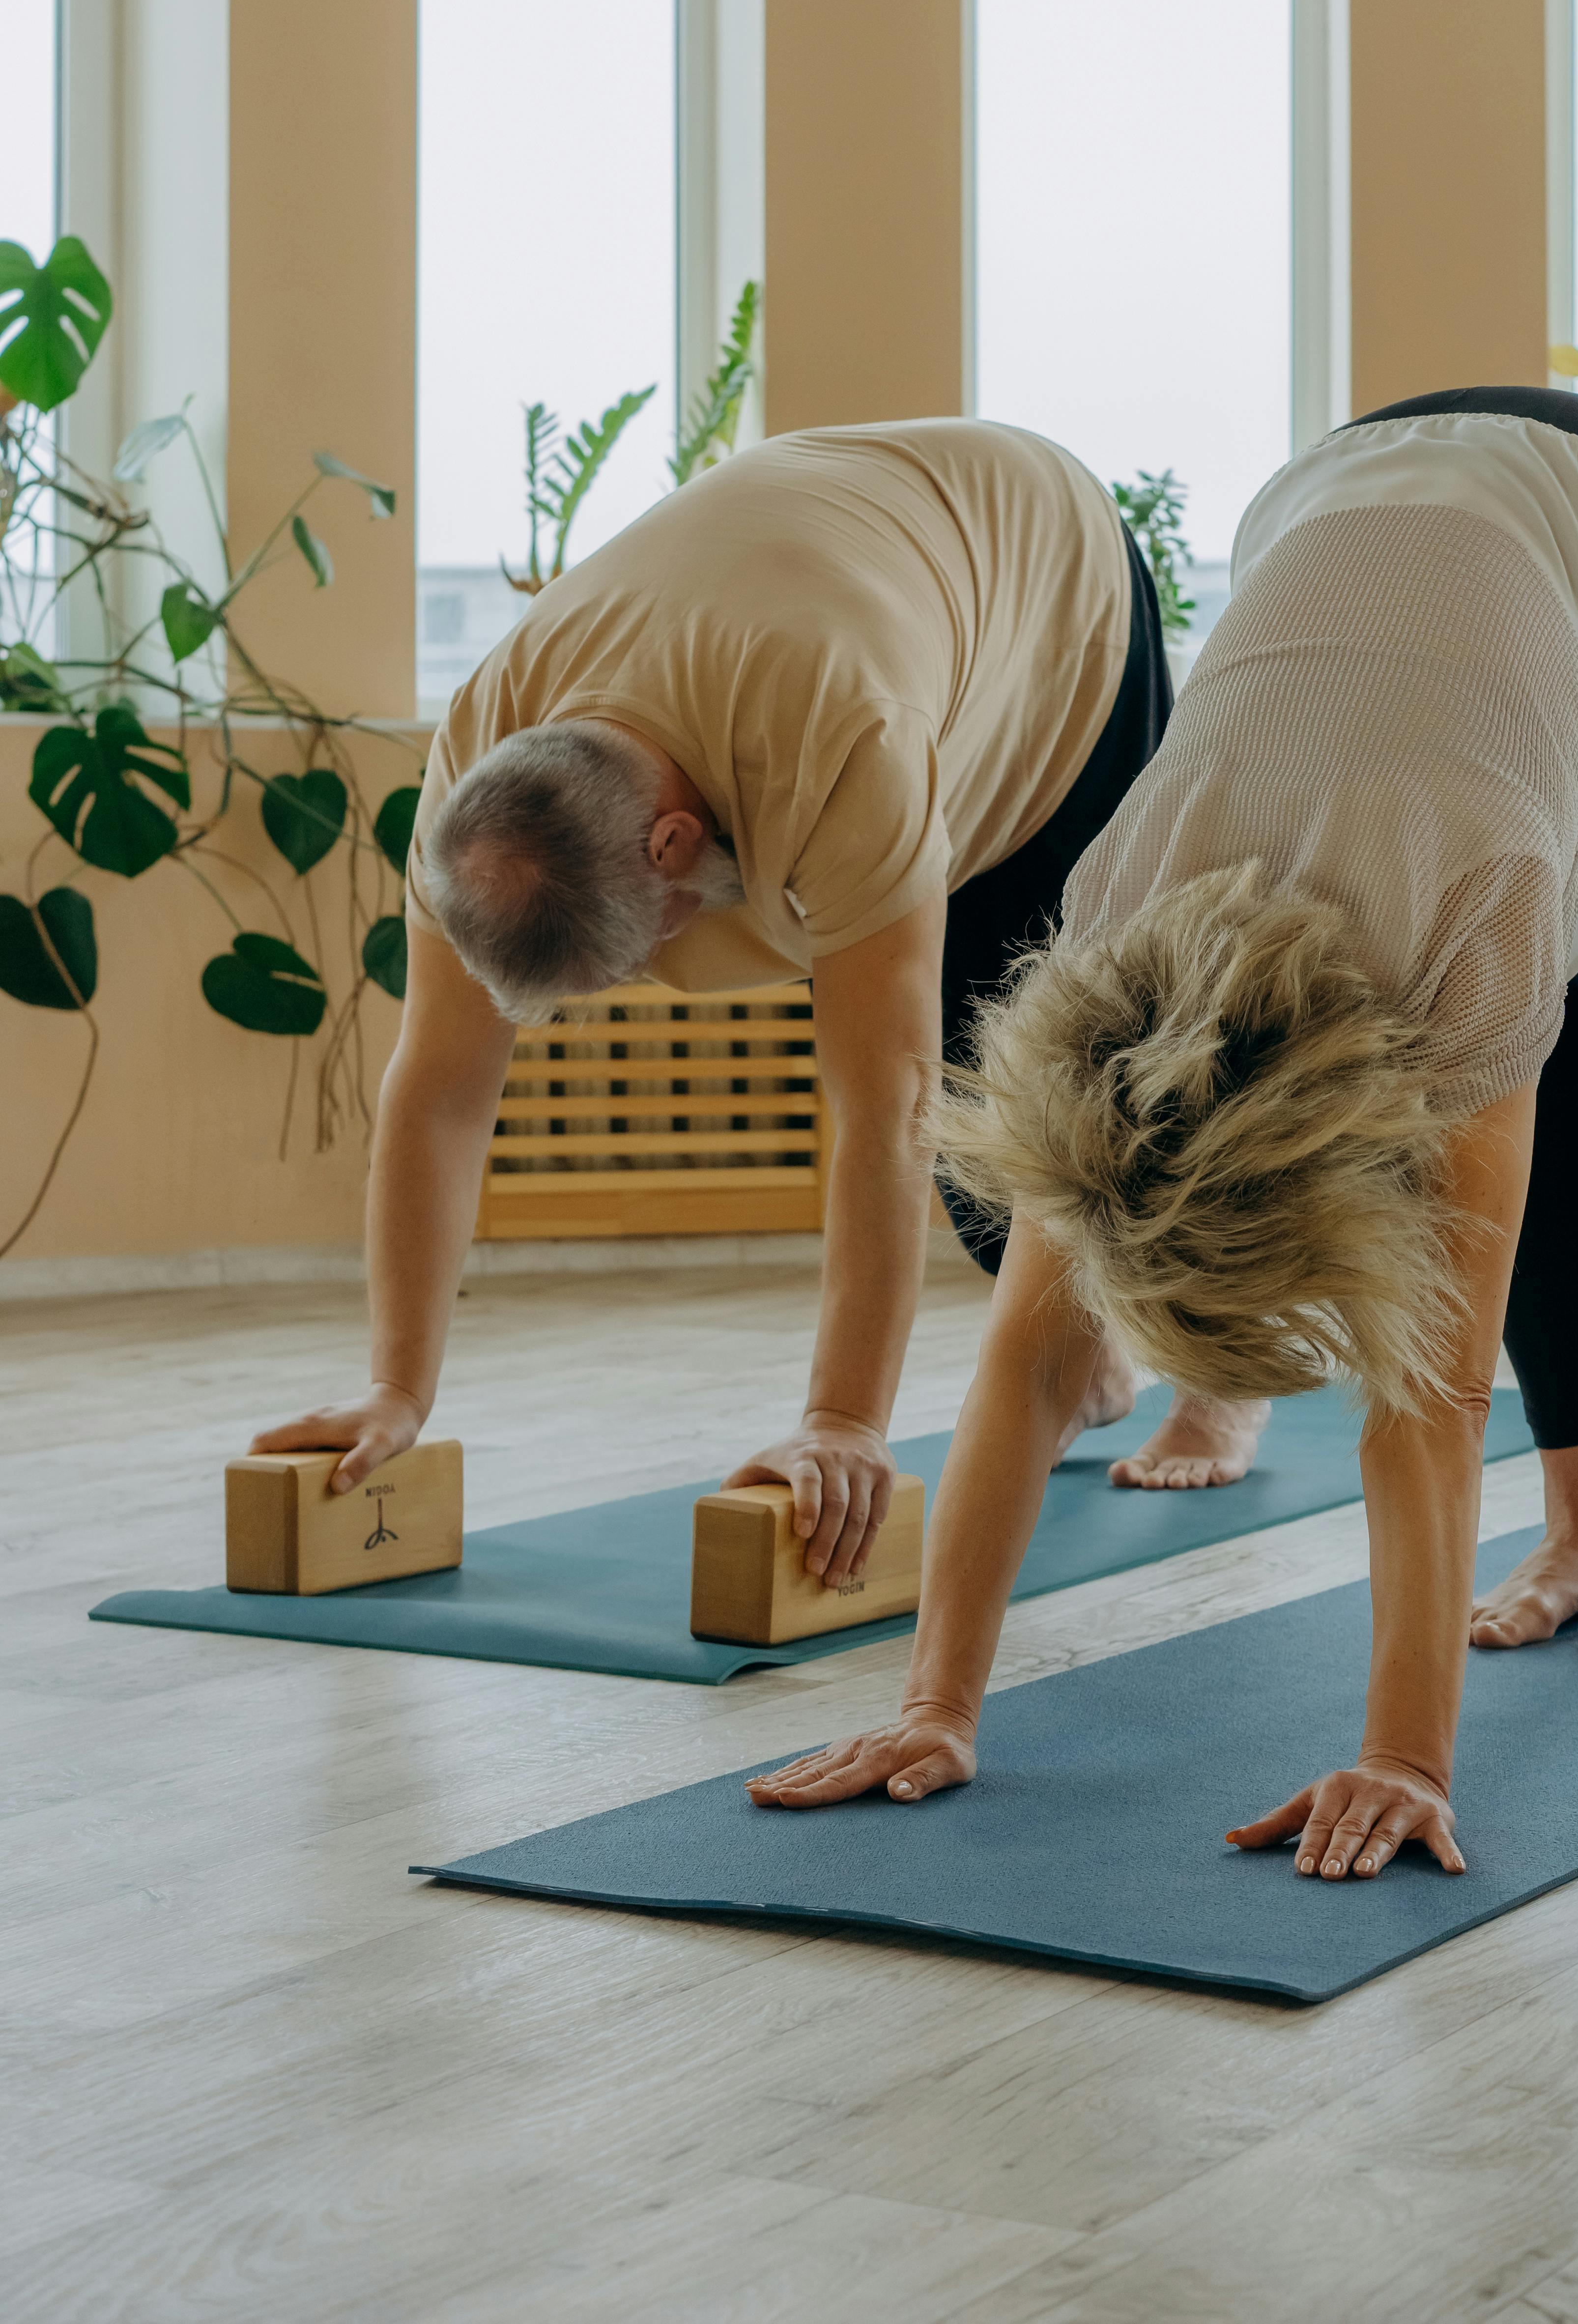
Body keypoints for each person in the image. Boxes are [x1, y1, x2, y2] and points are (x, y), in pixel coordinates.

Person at [748, 387, 1578, 1877]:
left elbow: (1426, 1400)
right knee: (1527, 1086)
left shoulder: (1469, 915)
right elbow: (1031, 1360)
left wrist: (1407, 1760)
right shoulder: (1103, 964)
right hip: (1346, 498)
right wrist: (935, 1706)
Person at [250, 419, 1194, 1582]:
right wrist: (397, 1389)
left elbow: (883, 1112)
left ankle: (1219, 1386)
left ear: (671, 843)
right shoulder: (480, 795)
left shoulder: (839, 736)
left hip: (1046, 597)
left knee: (1067, 1083)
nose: (652, 982)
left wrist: (843, 1421)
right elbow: (440, 1089)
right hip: (847, 583)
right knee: (994, 1195)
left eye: (635, 961)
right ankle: (1087, 1354)